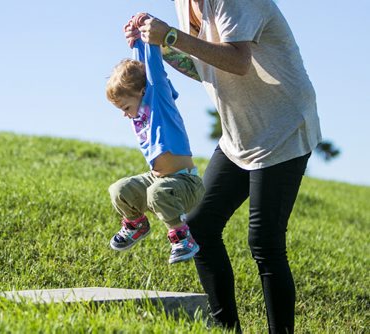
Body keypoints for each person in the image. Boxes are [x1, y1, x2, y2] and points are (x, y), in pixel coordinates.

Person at [124, 1, 322, 333]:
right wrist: (155, 45)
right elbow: (204, 66)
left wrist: (170, 36)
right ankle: (227, 329)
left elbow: (237, 61)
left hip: (284, 127)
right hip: (239, 134)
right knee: (199, 226)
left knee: (264, 242)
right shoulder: (185, 3)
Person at [105, 13, 205, 265]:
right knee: (119, 190)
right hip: (157, 179)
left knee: (157, 194)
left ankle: (183, 238)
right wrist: (137, 42)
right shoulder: (139, 106)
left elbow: (153, 74)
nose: (125, 115)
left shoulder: (159, 100)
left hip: (185, 184)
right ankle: (136, 224)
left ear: (141, 93)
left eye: (125, 108)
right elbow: (141, 72)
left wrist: (150, 41)